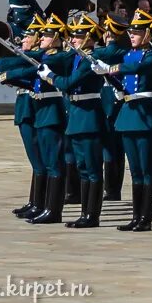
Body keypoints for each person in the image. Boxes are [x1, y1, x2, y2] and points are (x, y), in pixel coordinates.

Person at [91, 9, 152, 232]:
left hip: (145, 114)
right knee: (136, 170)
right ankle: (136, 216)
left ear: (148, 35)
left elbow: (136, 68)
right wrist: (108, 76)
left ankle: (146, 218)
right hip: (129, 114)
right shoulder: (128, 55)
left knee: (147, 169)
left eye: (137, 32)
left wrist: (111, 69)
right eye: (131, 32)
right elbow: (123, 78)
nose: (132, 35)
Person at [4, 14, 71, 225]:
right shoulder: (47, 56)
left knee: (53, 163)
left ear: (58, 38)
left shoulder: (58, 57)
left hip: (51, 111)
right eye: (41, 35)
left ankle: (52, 209)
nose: (42, 38)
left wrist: (1, 66)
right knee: (45, 162)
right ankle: (43, 206)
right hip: (42, 111)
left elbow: (32, 66)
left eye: (46, 35)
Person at [43, 12, 107, 228]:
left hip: (89, 116)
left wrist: (50, 77)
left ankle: (92, 215)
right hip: (78, 115)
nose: (73, 40)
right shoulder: (77, 57)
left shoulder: (90, 60)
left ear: (89, 39)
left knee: (92, 168)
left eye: (78, 37)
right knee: (82, 167)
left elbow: (69, 83)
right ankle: (84, 213)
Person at [0, 15, 46, 219]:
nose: (22, 40)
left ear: (37, 39)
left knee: (38, 159)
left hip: (32, 109)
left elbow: (18, 66)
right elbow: (16, 67)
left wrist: (0, 68)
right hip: (24, 109)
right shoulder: (28, 57)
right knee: (34, 160)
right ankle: (34, 201)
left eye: (28, 37)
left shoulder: (38, 57)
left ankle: (40, 203)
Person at [95, 12, 130, 201]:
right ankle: (113, 188)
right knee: (118, 147)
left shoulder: (106, 52)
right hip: (118, 100)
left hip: (108, 99)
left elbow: (102, 54)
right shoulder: (123, 52)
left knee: (109, 146)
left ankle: (111, 188)